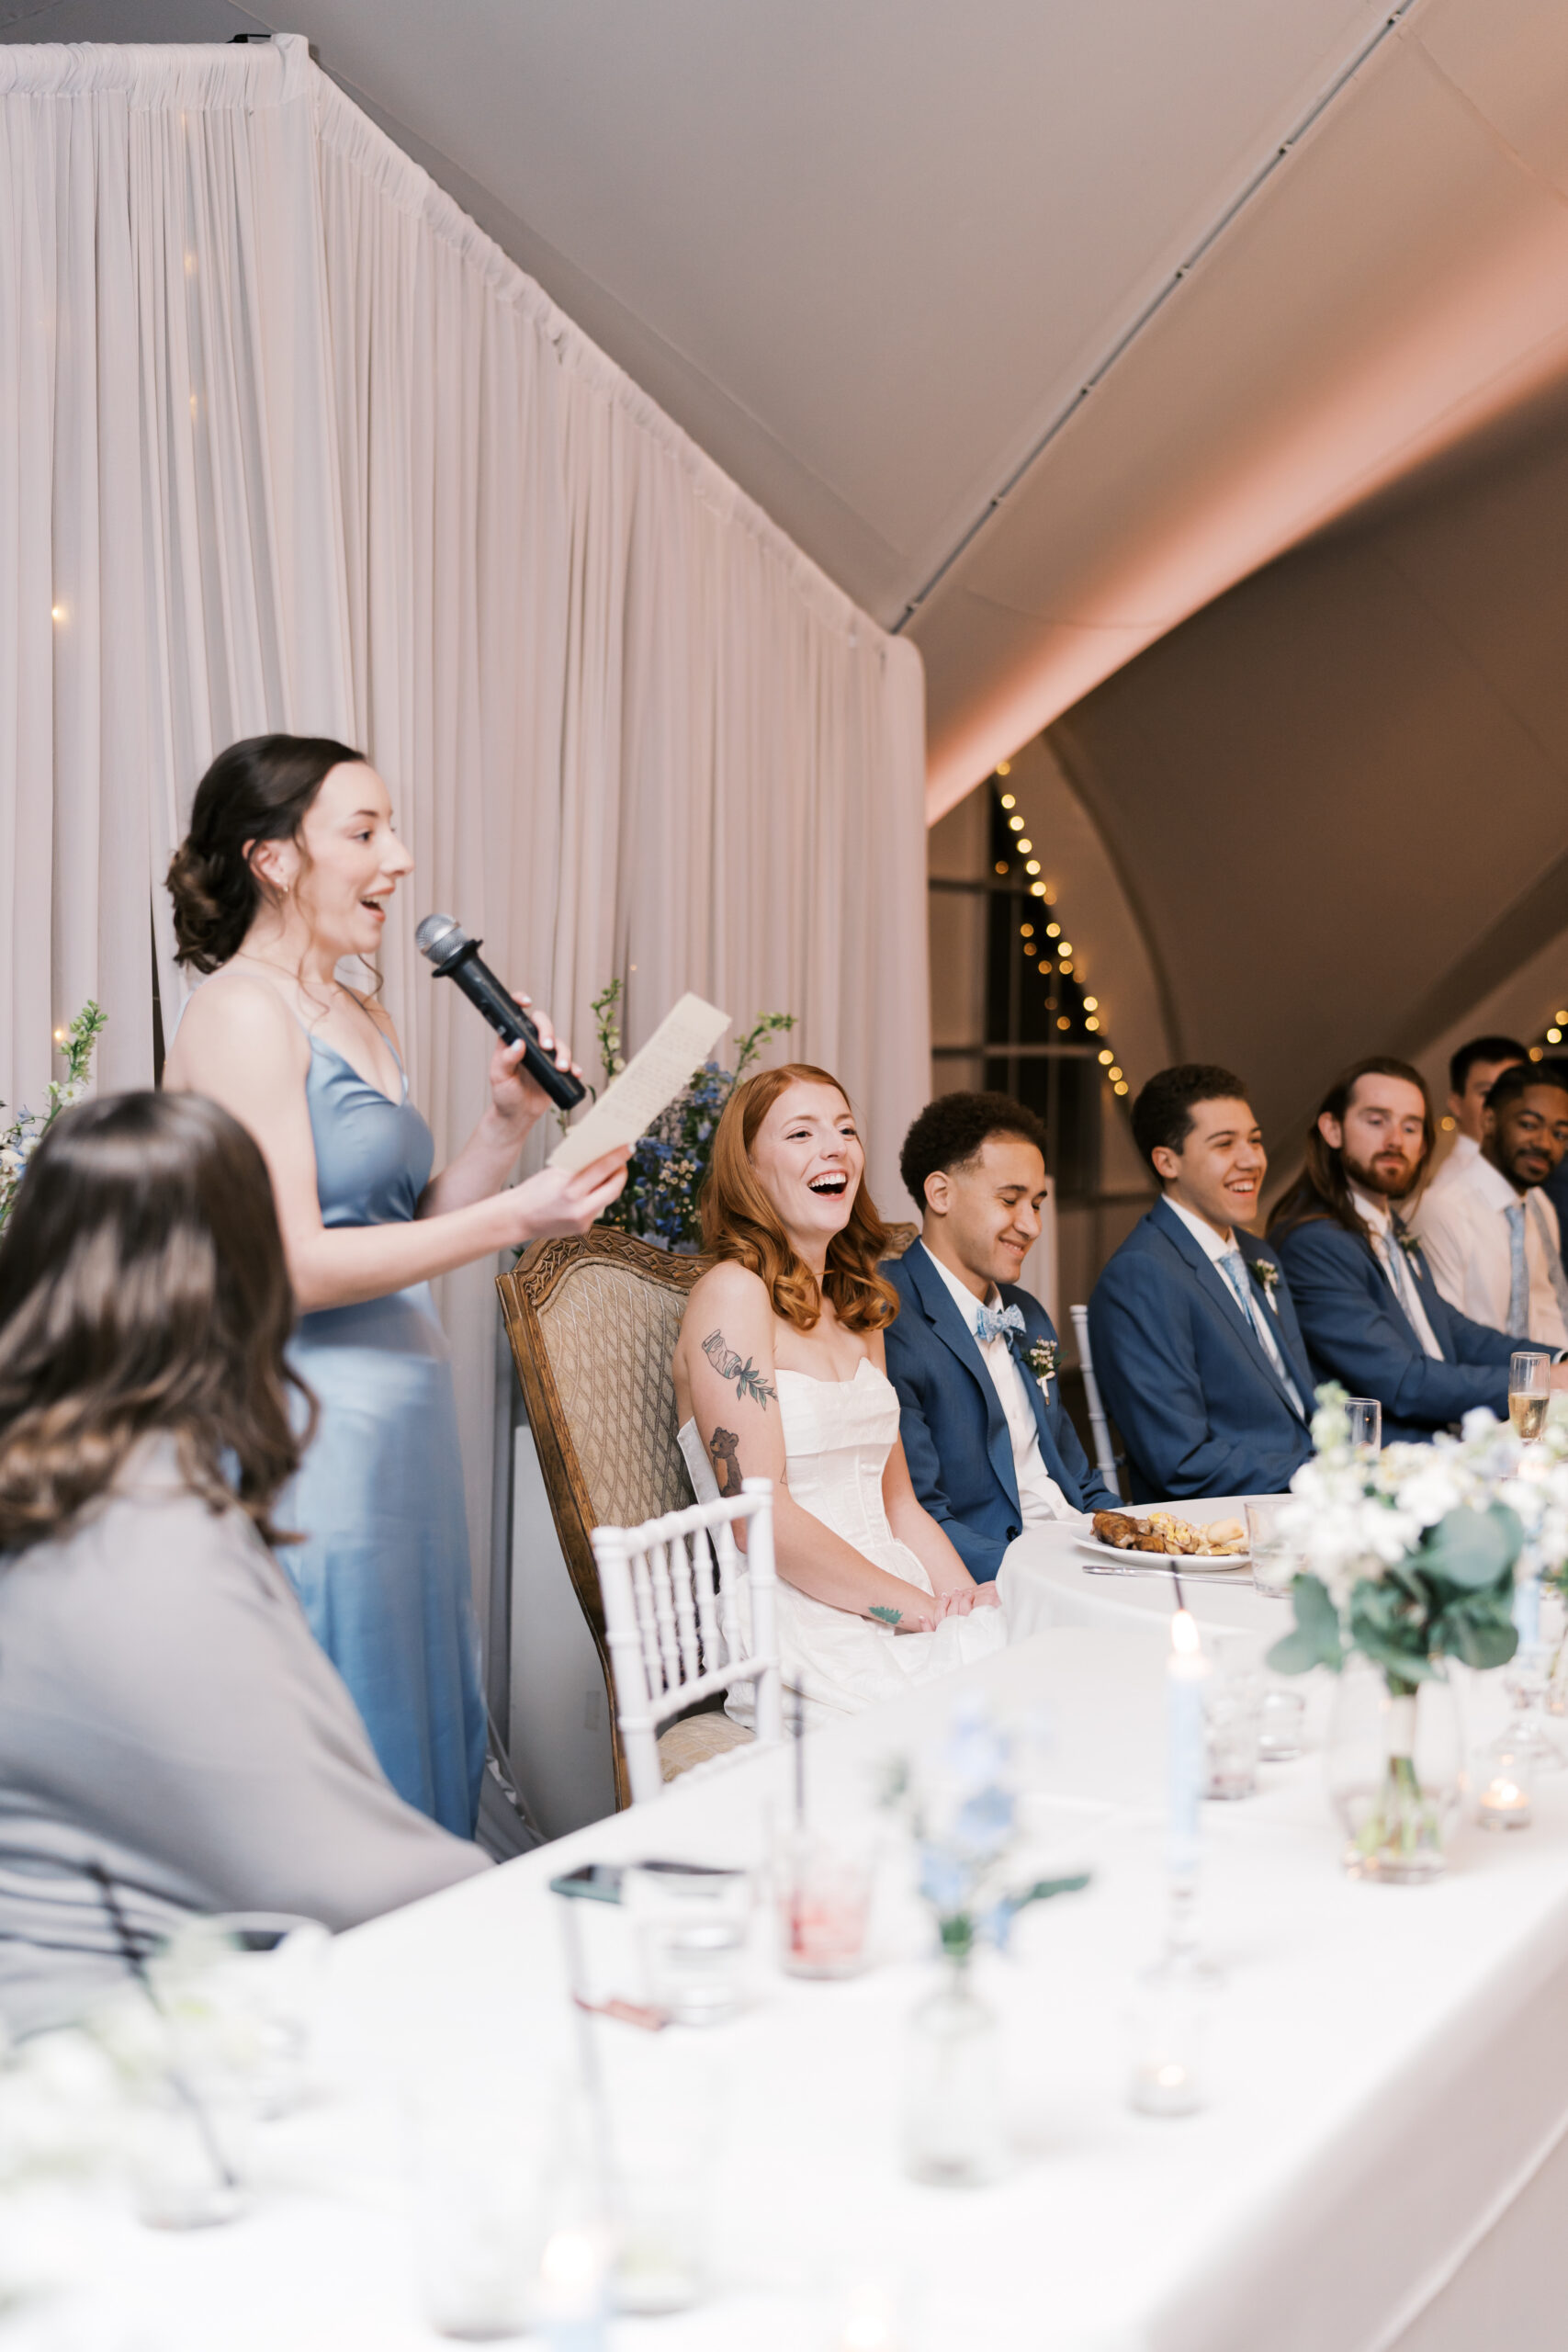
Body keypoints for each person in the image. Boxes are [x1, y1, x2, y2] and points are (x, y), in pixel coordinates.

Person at [163, 736, 627, 1834]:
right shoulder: (239, 1013)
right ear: (273, 859)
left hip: (404, 1431)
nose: (400, 859)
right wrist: (518, 1218)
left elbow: (403, 1227)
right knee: (337, 1754)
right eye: (365, 833)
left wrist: (501, 1129)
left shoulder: (363, 1010)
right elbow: (293, 1267)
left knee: (421, 1733)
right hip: (306, 1433)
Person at [0, 1093, 489, 2040]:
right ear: (245, 1277)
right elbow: (329, 1872)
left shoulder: (65, 1480)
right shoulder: (142, 1539)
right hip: (97, 2077)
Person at [672, 1064, 1005, 1724]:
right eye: (801, 1134)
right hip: (798, 1616)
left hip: (897, 1588)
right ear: (750, 1169)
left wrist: (961, 1605)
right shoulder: (732, 1295)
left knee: (1028, 1670)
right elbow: (756, 1519)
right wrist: (913, 1610)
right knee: (973, 1730)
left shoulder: (855, 1308)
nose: (835, 1148)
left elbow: (898, 1501)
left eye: (846, 1130)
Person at [881, 1092, 1118, 1580]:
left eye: (1036, 1203)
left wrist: (1140, 1538)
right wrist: (1041, 1578)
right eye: (1009, 1200)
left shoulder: (1026, 1313)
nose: (1031, 1226)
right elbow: (916, 1511)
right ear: (940, 1194)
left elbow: (1078, 1478)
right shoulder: (888, 1318)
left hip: (1084, 1553)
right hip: (999, 1574)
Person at [1268, 1057, 1568, 1442]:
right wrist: (1543, 1384)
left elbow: (1452, 1329)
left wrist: (1555, 1362)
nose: (1395, 1139)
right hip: (1381, 1461)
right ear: (1332, 1129)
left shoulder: (1389, 1226)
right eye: (1376, 1121)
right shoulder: (1314, 1242)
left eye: (1410, 1127)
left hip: (1436, 1449)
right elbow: (1403, 1380)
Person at [1087, 1067, 1316, 1499]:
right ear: (1166, 1161)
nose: (1251, 1159)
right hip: (1225, 1526)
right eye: (1225, 1144)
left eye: (1255, 1139)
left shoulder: (1258, 1254)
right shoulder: (1141, 1275)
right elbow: (1180, 1459)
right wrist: (1316, 1477)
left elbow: (1297, 1403)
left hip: (1304, 1502)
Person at [1414, 1062, 1568, 1348]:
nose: (1545, 1144)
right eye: (1529, 1125)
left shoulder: (1537, 1206)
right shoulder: (1444, 1208)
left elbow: (1546, 1310)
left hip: (1539, 1384)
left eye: (1560, 1134)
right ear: (1489, 1120)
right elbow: (1445, 1337)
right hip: (1477, 1386)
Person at [1424, 1034, 1527, 1203]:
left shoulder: (1528, 1173)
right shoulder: (1449, 1193)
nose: (1501, 1105)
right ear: (1456, 1104)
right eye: (1486, 1093)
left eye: (1512, 1092)